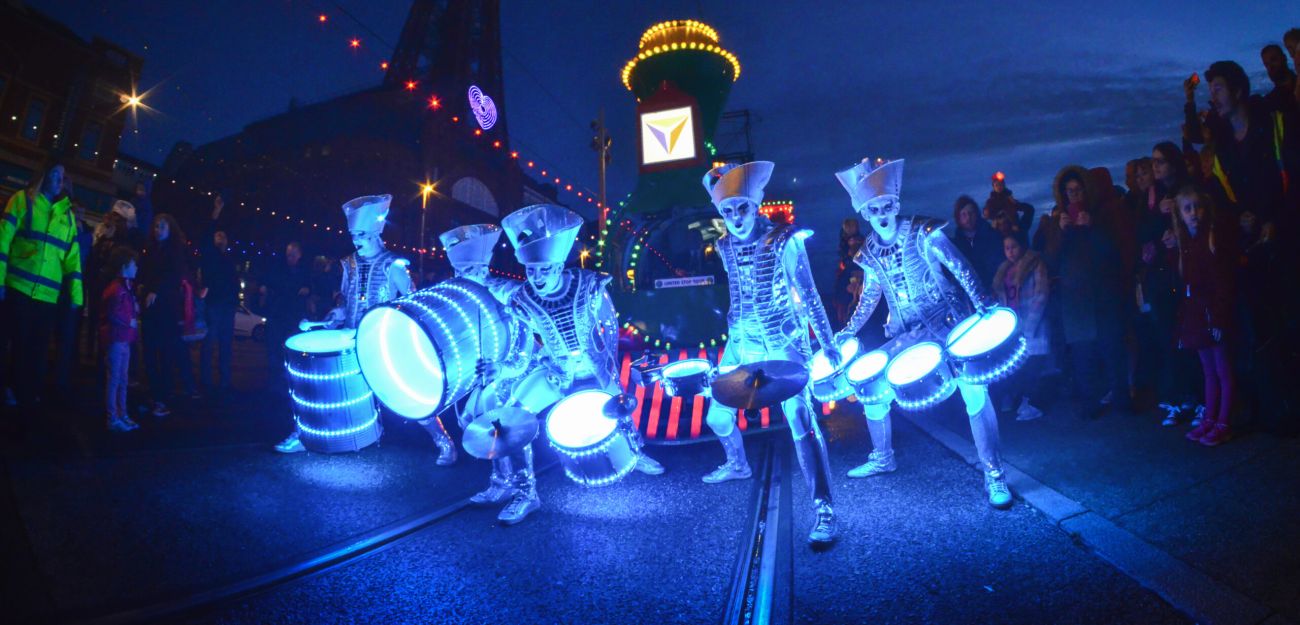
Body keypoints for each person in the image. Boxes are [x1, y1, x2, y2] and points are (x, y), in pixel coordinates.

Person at [835, 157, 1012, 509]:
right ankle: (883, 456)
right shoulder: (869, 252)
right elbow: (870, 296)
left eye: (887, 205)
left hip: (947, 322)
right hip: (907, 333)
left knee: (974, 391)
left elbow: (958, 265)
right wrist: (848, 329)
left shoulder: (923, 230)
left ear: (896, 203)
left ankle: (995, 474)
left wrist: (981, 302)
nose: (882, 214)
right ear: (866, 213)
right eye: (874, 209)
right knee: (872, 386)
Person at [698, 161, 840, 546]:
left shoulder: (785, 239)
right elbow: (738, 296)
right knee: (717, 413)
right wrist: (732, 347)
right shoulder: (724, 246)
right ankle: (737, 464)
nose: (735, 217)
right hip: (742, 340)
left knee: (800, 418)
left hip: (783, 340)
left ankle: (824, 508)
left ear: (756, 205)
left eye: (741, 208)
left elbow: (808, 294)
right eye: (727, 210)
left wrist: (828, 344)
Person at [498, 204, 664, 525]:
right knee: (512, 419)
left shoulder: (590, 285)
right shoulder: (521, 300)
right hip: (556, 372)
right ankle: (525, 492)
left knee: (619, 403)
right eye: (531, 271)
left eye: (544, 269)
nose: (537, 277)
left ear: (559, 265)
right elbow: (523, 347)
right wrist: (506, 369)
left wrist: (608, 367)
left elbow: (610, 325)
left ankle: (635, 451)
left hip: (595, 366)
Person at [276, 195, 415, 455]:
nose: (356, 241)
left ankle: (441, 439)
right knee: (321, 385)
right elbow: (344, 298)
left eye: (361, 235)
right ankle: (305, 434)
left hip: (380, 339)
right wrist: (335, 314)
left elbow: (411, 304)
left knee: (407, 394)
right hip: (349, 336)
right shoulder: (349, 263)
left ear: (375, 234)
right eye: (353, 235)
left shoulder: (394, 265)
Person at [439, 224, 537, 514]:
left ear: (482, 268)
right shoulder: (459, 296)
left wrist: (503, 369)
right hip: (482, 377)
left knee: (509, 428)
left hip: (514, 375)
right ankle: (502, 481)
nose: (460, 277)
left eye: (466, 270)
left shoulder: (509, 294)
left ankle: (527, 492)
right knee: (476, 422)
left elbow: (524, 344)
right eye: (457, 271)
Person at [1034, 166, 1125, 418]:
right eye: (1069, 191)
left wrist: (1092, 227)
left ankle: (1122, 402)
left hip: (1103, 294)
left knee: (1112, 350)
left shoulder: (1103, 215)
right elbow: (1050, 260)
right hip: (1075, 300)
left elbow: (1113, 252)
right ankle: (1090, 404)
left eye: (1077, 189)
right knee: (1083, 355)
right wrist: (1062, 233)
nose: (1073, 195)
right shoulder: (1058, 223)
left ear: (1086, 190)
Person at [0, 160, 85, 408]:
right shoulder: (22, 200)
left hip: (47, 297)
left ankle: (24, 392)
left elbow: (73, 260)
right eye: (56, 173)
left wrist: (77, 297)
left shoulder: (67, 216)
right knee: (17, 344)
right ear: (44, 175)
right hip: (18, 288)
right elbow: (3, 240)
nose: (60, 179)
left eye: (63, 175)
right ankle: (12, 390)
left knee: (36, 348)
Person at [1170, 186, 1235, 446]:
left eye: (1197, 207)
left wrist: (1218, 317)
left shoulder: (1209, 239)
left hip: (1211, 314)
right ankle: (1210, 418)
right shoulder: (1186, 244)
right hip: (1197, 314)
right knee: (1209, 370)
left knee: (1222, 369)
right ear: (1180, 214)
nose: (1194, 213)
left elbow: (1222, 282)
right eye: (1188, 208)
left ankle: (1223, 421)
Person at [139, 213, 197, 417]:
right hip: (150, 306)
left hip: (166, 309)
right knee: (149, 351)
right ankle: (153, 393)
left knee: (164, 353)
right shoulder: (151, 249)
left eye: (162, 226)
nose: (158, 230)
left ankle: (162, 397)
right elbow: (145, 273)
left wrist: (156, 290)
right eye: (156, 226)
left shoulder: (176, 251)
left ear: (170, 229)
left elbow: (173, 276)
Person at [991, 235, 1048, 421]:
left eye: (1013, 247)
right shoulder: (1004, 270)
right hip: (1013, 324)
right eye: (1006, 248)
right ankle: (1021, 400)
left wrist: (1030, 324)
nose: (1010, 252)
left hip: (1031, 321)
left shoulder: (1034, 264)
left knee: (1033, 364)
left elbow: (1041, 293)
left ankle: (1032, 402)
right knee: (1019, 365)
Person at [198, 195, 238, 393]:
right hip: (214, 304)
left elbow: (234, 281)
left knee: (225, 344)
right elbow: (207, 233)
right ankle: (205, 380)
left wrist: (235, 300)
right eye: (218, 235)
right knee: (209, 343)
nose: (220, 237)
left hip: (227, 306)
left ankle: (224, 381)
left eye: (223, 236)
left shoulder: (229, 258)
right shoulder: (210, 254)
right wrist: (216, 212)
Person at [100, 246, 141, 432]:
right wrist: (130, 320)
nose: (136, 267)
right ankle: (113, 418)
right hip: (116, 340)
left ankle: (122, 414)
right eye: (133, 264)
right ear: (124, 266)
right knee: (115, 379)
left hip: (123, 340)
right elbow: (113, 313)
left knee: (122, 379)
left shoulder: (125, 287)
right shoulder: (117, 288)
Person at [949, 195, 1004, 288]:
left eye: (971, 213)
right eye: (964, 214)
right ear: (958, 217)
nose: (968, 218)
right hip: (969, 290)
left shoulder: (992, 236)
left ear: (977, 214)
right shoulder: (956, 244)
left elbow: (999, 261)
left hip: (995, 288)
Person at [983, 171, 1034, 242]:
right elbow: (987, 215)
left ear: (1004, 185)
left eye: (1001, 184)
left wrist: (1016, 203)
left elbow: (1028, 209)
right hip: (1000, 234)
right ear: (993, 187)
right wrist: (995, 216)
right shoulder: (990, 202)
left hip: (1014, 230)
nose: (999, 186)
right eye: (996, 185)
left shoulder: (1009, 199)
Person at [1261, 44, 1297, 115]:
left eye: (1273, 60)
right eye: (1266, 64)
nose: (1271, 67)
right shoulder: (1269, 103)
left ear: (1284, 58)